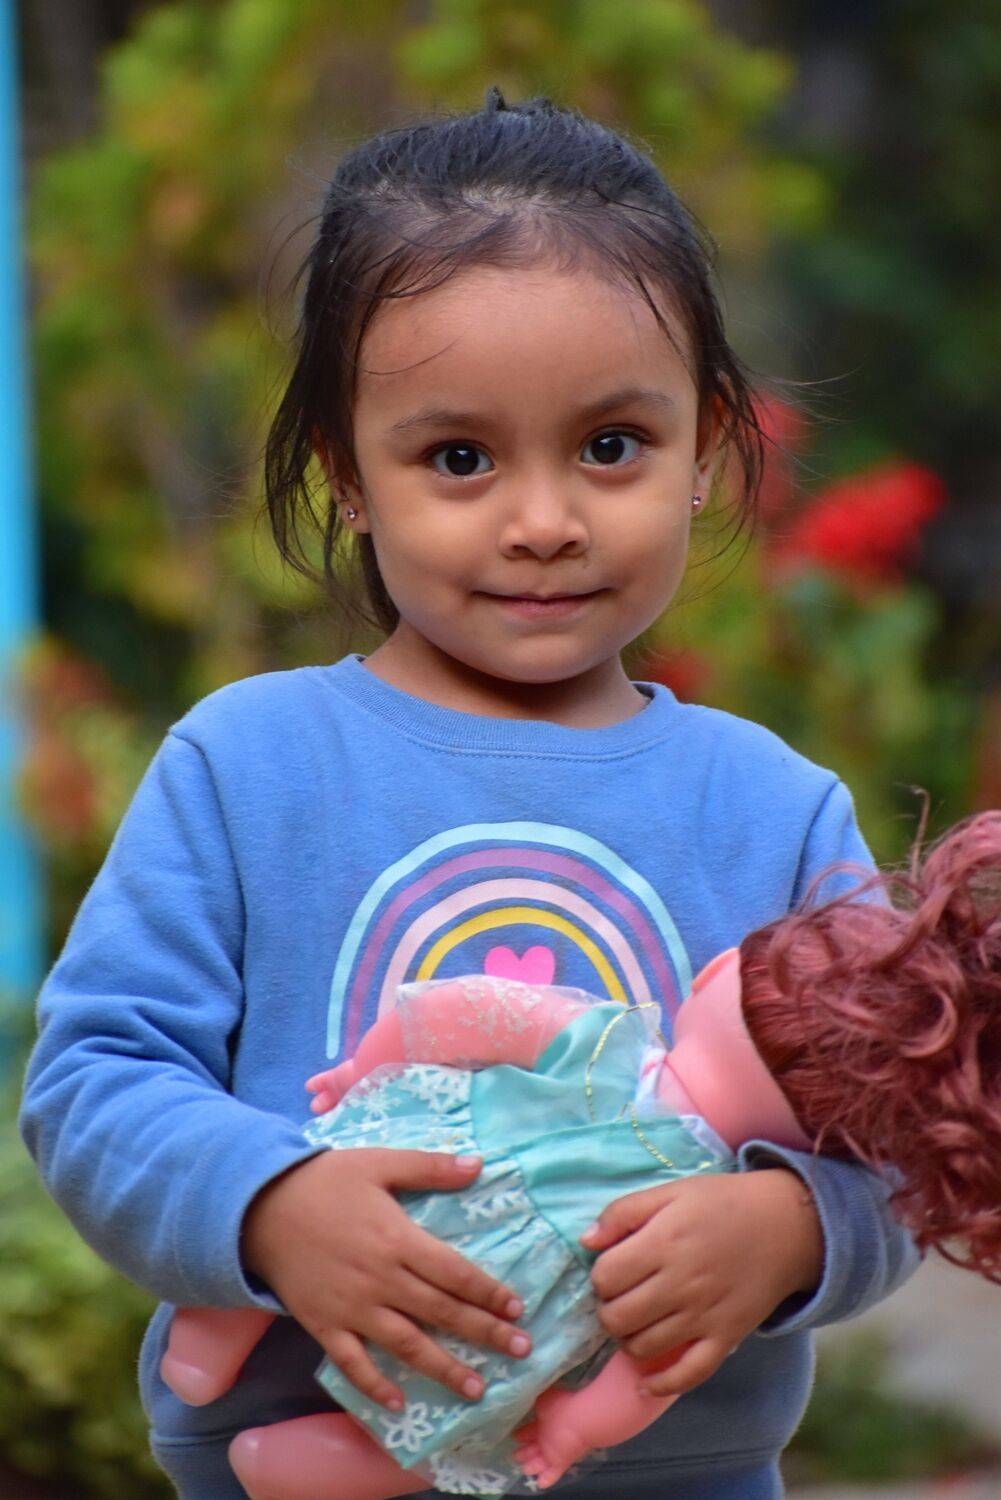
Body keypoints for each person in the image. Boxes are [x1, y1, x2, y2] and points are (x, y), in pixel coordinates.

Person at [19, 88, 921, 1500]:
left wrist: (792, 1232)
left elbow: (911, 1136)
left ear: (702, 450)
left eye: (610, 445)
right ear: (348, 473)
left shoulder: (772, 810)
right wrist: (268, 1207)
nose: (543, 521)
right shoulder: (248, 767)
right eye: (459, 458)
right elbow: (94, 1083)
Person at [160, 812, 1001, 1499]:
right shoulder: (690, 1216)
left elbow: (465, 1011)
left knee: (306, 1203)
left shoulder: (609, 1049)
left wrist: (365, 1067)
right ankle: (312, 1459)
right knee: (462, 1411)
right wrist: (573, 1426)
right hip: (516, 1310)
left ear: (713, 974)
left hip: (431, 1170)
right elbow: (653, 1365)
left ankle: (217, 1332)